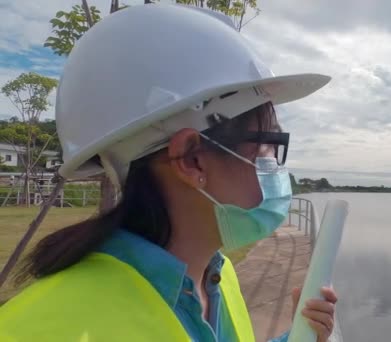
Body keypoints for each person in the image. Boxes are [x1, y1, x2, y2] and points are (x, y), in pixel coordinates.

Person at [0, 4, 337, 342]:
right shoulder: (54, 330)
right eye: (267, 142)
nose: (275, 164)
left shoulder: (214, 277)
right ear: (192, 160)